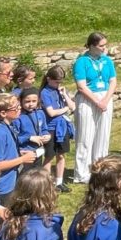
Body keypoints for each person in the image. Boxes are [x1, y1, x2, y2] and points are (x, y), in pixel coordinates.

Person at [73, 32, 117, 184]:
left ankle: (100, 168)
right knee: (85, 136)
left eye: (105, 45)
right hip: (88, 98)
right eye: (101, 46)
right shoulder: (82, 61)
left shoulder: (107, 60)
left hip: (105, 97)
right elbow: (81, 86)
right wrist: (97, 101)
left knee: (102, 135)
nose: (104, 48)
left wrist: (105, 99)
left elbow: (113, 81)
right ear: (92, 46)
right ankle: (82, 173)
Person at [0, 93, 38, 205]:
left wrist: (19, 153)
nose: (20, 108)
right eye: (15, 107)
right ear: (3, 113)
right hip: (4, 186)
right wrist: (22, 160)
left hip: (12, 181)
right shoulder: (0, 133)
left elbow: (7, 152)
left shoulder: (9, 127)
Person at [39, 65, 76, 193]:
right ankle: (46, 184)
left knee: (61, 155)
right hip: (50, 129)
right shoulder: (44, 93)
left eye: (60, 82)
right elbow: (51, 113)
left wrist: (64, 94)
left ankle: (59, 182)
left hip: (62, 127)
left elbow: (73, 106)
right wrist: (65, 109)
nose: (58, 84)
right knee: (49, 156)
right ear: (49, 79)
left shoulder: (58, 91)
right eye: (56, 82)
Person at [13, 87, 51, 169]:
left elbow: (44, 129)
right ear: (21, 101)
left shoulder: (40, 113)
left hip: (38, 150)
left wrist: (47, 135)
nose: (31, 104)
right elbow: (14, 137)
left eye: (34, 101)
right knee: (26, 175)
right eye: (27, 101)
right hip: (25, 151)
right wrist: (29, 138)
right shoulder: (18, 117)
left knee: (36, 173)